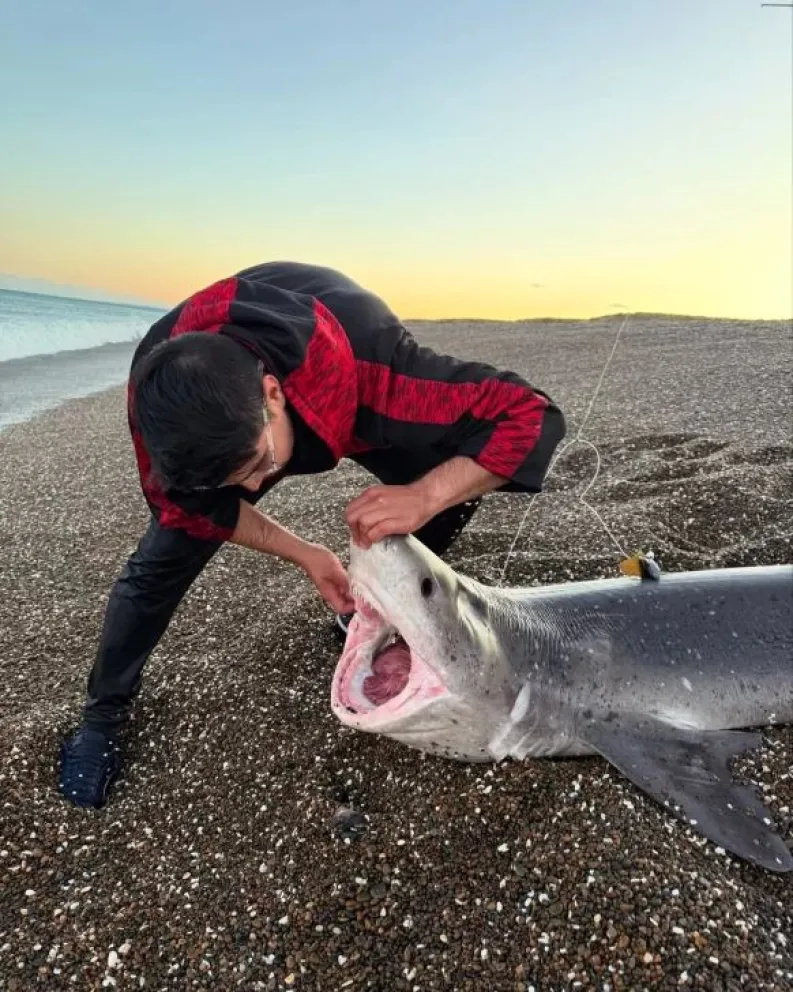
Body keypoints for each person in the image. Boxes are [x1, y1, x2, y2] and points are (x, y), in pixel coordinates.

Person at [57, 261, 565, 807]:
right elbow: (191, 510)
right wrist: (304, 553)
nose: (256, 485)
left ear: (272, 394)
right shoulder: (160, 408)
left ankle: (379, 609)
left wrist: (424, 497)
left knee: (440, 474)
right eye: (235, 482)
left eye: (259, 463)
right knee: (160, 561)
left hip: (345, 359)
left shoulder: (384, 373)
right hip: (241, 401)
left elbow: (530, 416)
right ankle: (102, 716)